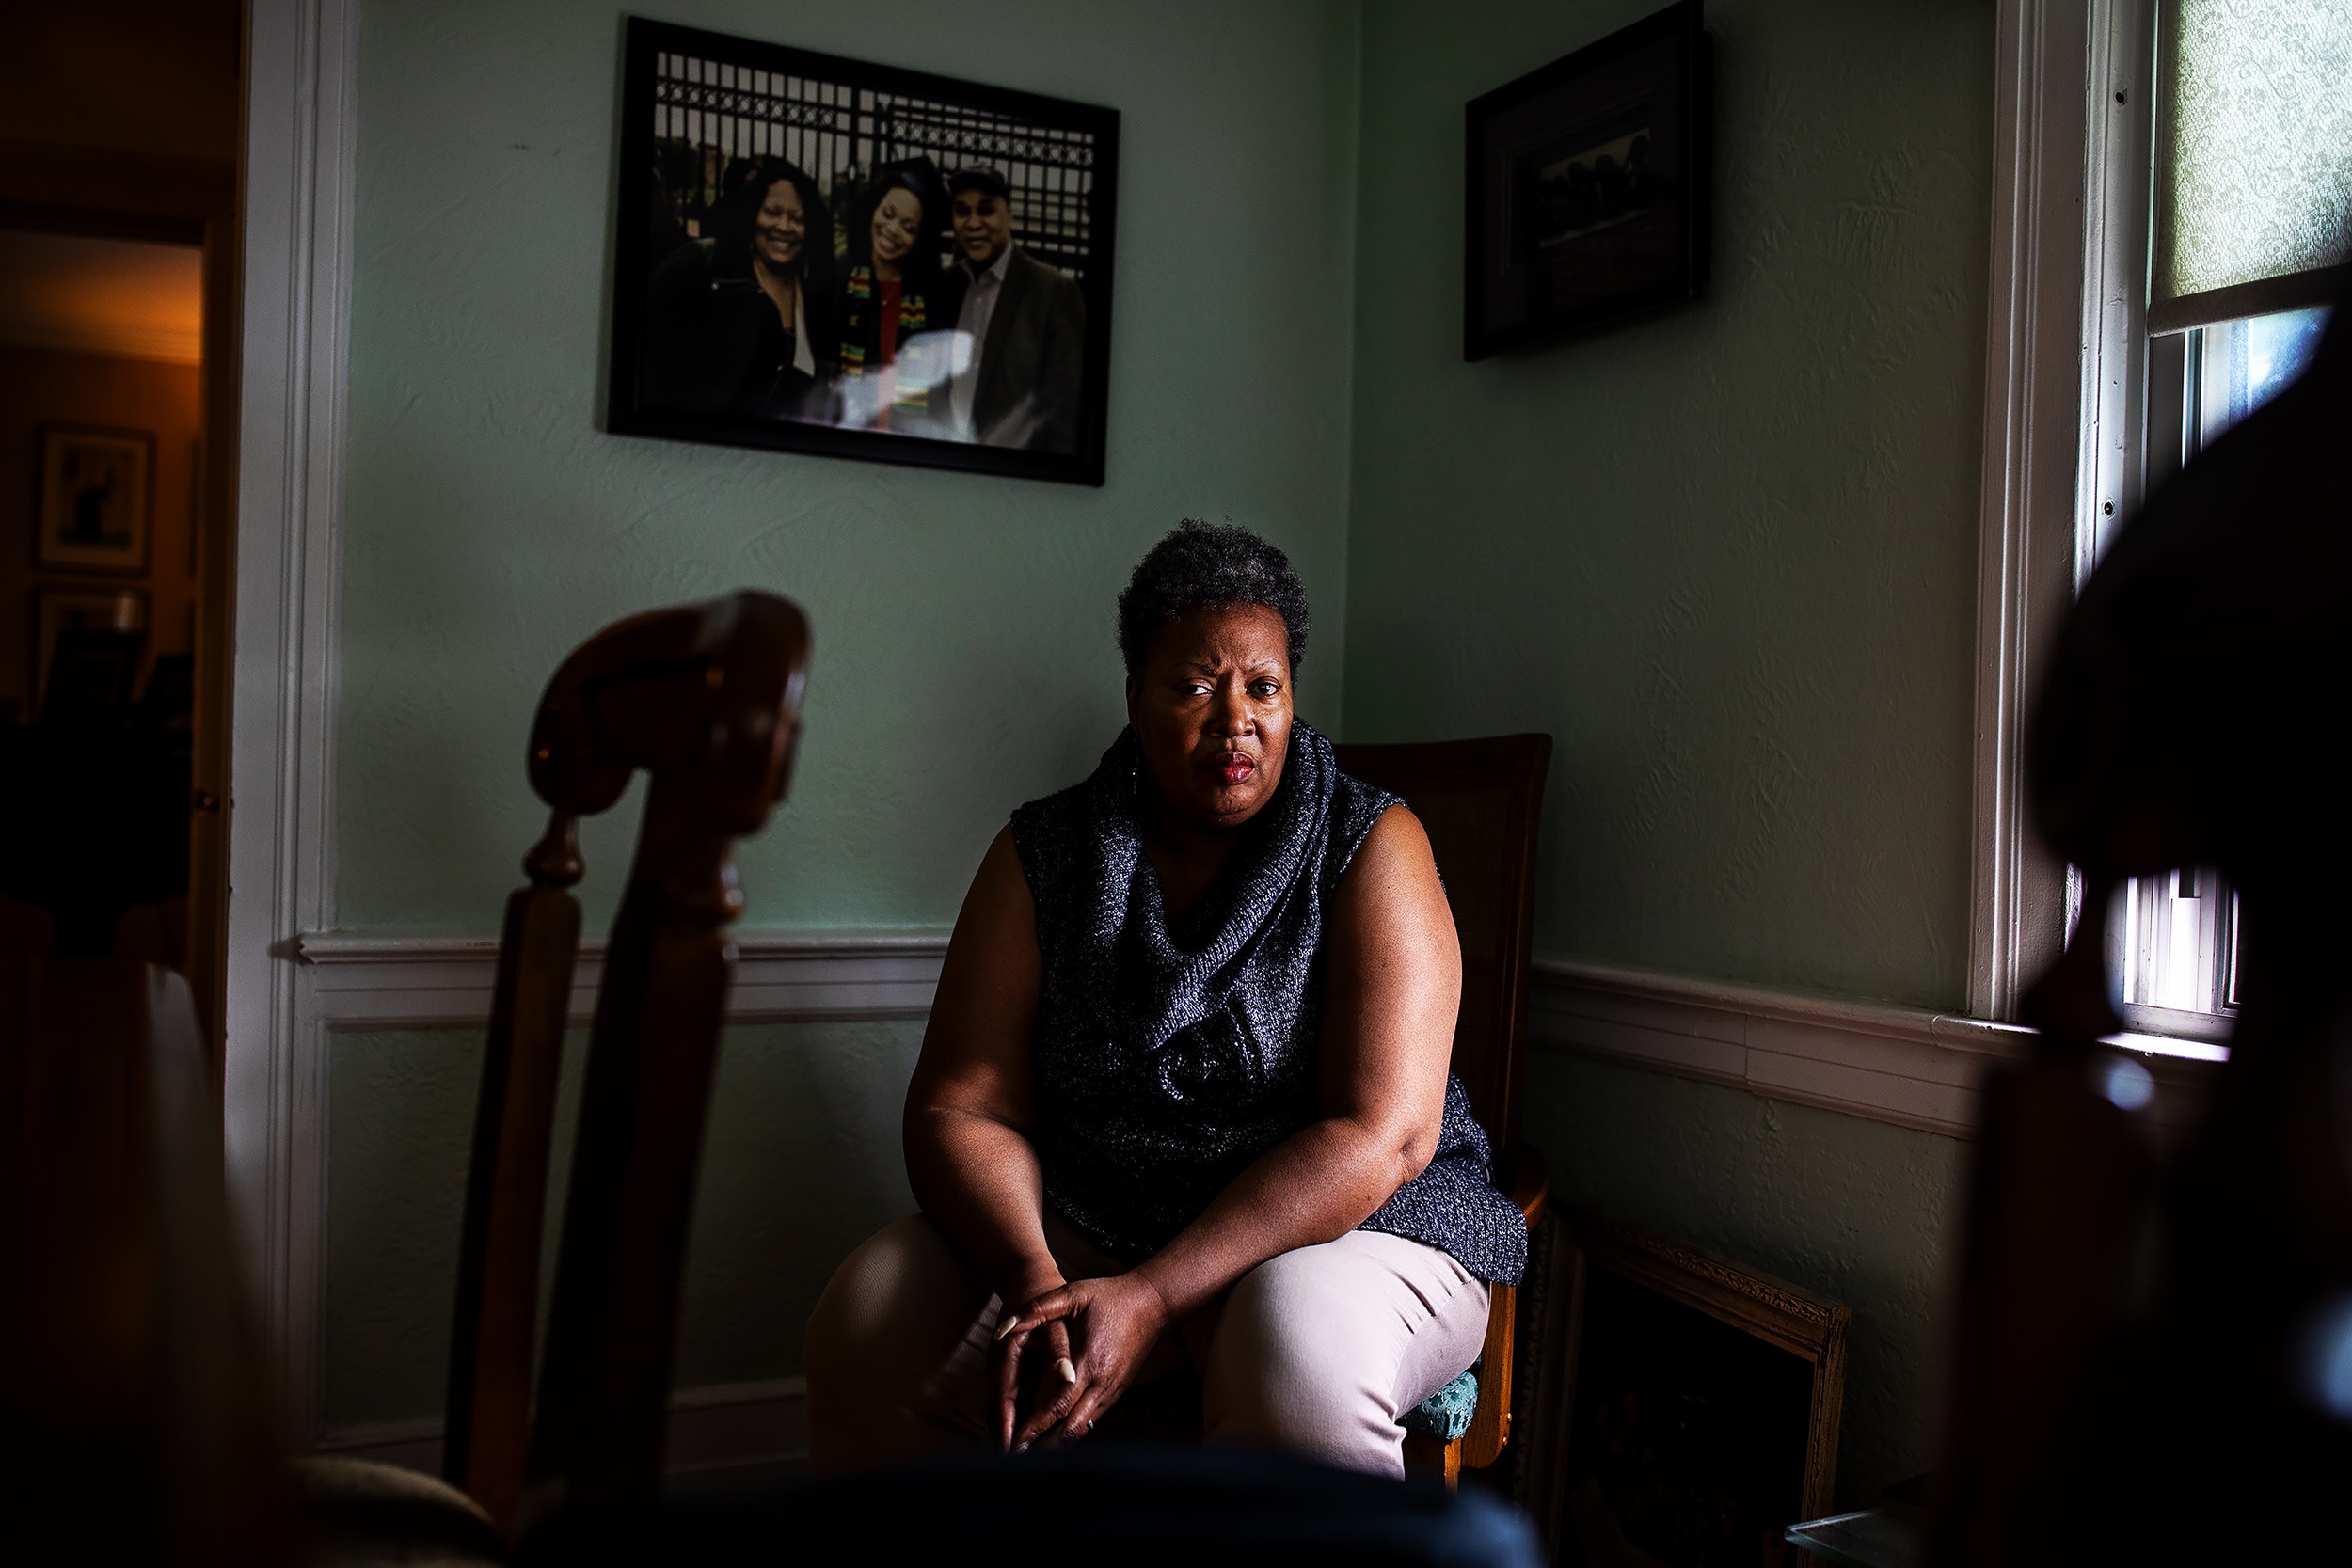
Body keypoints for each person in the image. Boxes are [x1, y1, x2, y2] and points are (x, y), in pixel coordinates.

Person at [805, 522, 1526, 1479]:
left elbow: (1381, 1135)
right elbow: (962, 1102)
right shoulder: (1045, 853)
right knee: (872, 1314)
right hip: (1087, 1220)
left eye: (1262, 687)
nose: (1235, 719)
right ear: (1135, 696)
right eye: (1193, 685)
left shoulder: (1371, 843)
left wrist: (1152, 1294)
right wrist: (1037, 1282)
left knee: (1293, 1350)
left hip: (1353, 1226)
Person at [640, 158, 834, 420]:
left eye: (797, 218)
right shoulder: (708, 269)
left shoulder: (816, 295)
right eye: (772, 212)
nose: (784, 227)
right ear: (753, 213)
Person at [942, 166, 1088, 453]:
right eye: (962, 211)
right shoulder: (944, 286)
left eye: (985, 211)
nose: (973, 223)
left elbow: (1067, 416)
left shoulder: (1053, 292)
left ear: (1009, 214)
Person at [830, 158, 961, 436]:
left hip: (905, 438)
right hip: (842, 431)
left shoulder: (932, 295)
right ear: (873, 210)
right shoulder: (840, 277)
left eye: (908, 227)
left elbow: (938, 386)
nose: (892, 230)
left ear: (919, 239)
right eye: (887, 214)